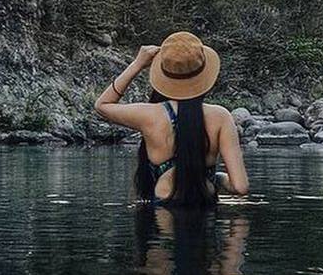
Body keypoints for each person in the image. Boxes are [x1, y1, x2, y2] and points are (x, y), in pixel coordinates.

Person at [94, 32, 249, 206]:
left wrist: (137, 64)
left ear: (163, 74)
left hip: (161, 214)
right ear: (203, 74)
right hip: (205, 212)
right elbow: (240, 187)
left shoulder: (149, 115)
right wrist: (217, 178)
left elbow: (102, 105)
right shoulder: (221, 117)